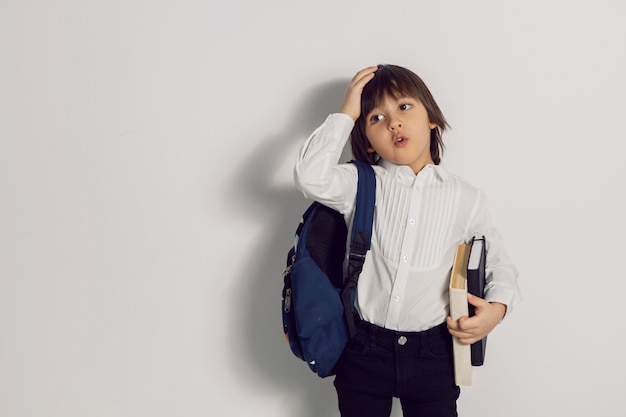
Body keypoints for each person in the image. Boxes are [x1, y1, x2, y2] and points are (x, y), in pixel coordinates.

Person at [293, 64, 521, 417]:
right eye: (376, 118)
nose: (393, 123)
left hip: (434, 353)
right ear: (367, 139)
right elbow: (310, 176)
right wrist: (346, 113)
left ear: (431, 117)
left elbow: (500, 265)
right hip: (363, 349)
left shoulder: (465, 197)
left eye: (403, 107)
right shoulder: (360, 183)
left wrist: (496, 311)